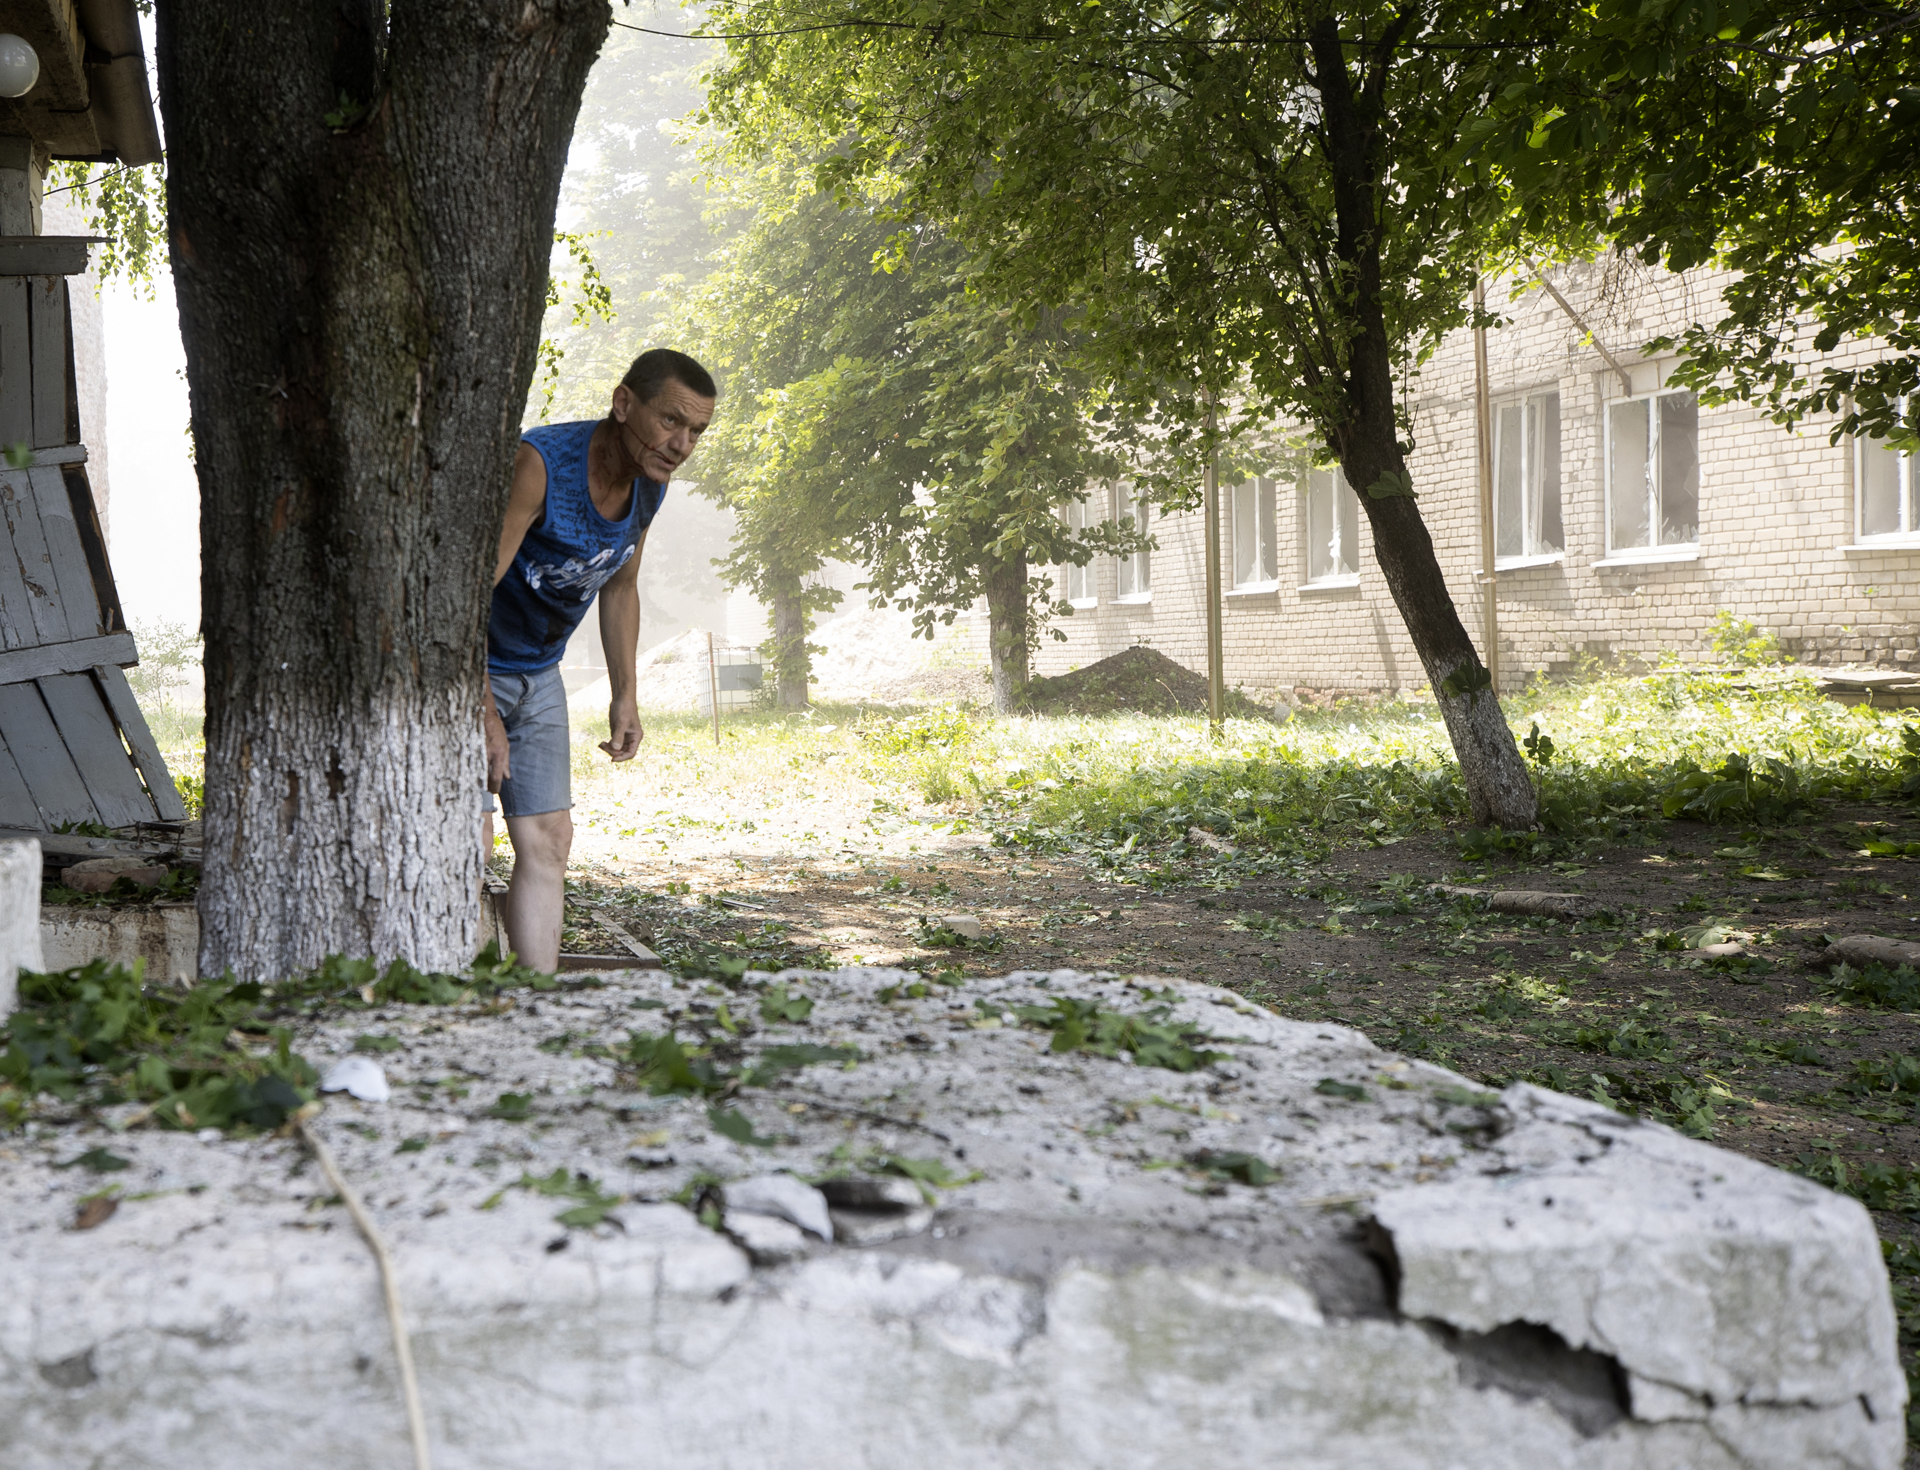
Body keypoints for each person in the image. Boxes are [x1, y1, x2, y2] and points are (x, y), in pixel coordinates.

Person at [483, 348, 716, 970]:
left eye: (696, 431)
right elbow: (467, 591)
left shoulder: (649, 485)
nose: (682, 444)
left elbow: (621, 586)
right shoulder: (539, 465)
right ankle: (449, 1006)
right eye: (672, 420)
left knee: (549, 839)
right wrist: (478, 707)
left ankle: (538, 1001)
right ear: (623, 403)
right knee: (467, 843)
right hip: (470, 670)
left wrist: (625, 693)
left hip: (540, 673)